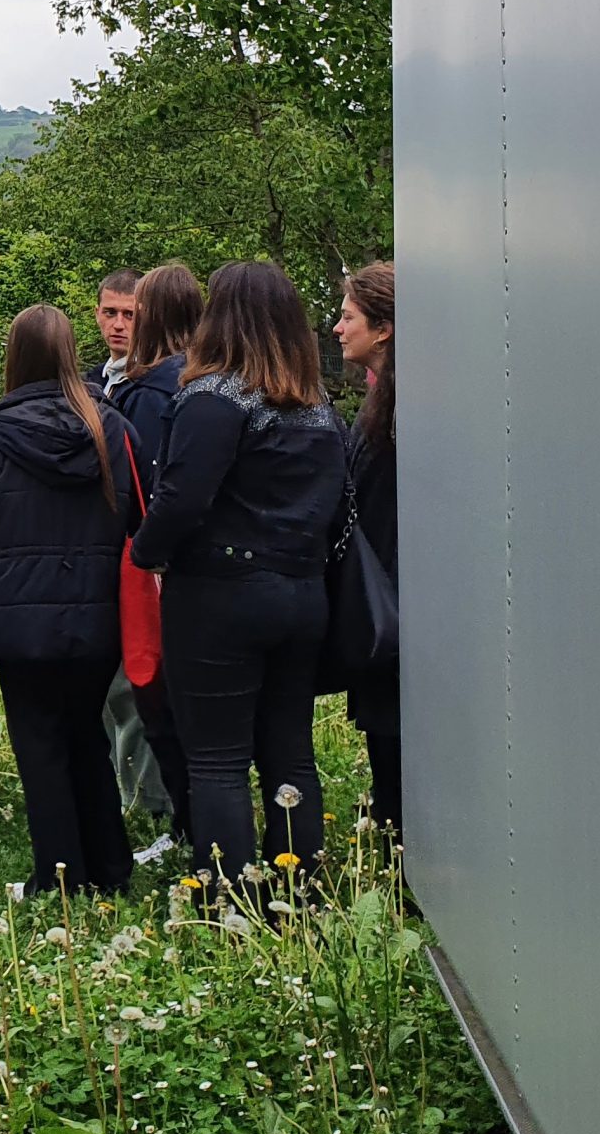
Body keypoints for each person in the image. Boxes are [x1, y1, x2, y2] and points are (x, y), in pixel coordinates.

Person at [129, 262, 347, 891]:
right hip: (303, 592)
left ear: (219, 315)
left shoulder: (213, 398)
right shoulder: (319, 409)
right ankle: (297, 889)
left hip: (220, 596)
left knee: (217, 761)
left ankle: (229, 901)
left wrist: (145, 551)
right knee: (290, 755)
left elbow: (182, 499)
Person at [0, 305, 142, 894]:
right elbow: (138, 515)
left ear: (14, 357)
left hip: (17, 615)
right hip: (98, 610)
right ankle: (109, 867)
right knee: (85, 732)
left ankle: (57, 875)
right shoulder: (112, 428)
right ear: (68, 353)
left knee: (39, 744)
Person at [109, 261, 206, 844]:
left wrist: (145, 550)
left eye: (132, 311)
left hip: (152, 567)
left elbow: (140, 485)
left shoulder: (148, 390)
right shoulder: (211, 379)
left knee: (151, 696)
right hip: (208, 567)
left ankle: (170, 818)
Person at [334, 262, 399, 832]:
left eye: (348, 316)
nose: (336, 327)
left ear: (383, 329)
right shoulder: (386, 400)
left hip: (394, 593)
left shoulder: (403, 410)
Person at [87, 272, 140, 396]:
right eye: (110, 313)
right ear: (97, 314)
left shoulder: (154, 386)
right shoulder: (89, 382)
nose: (118, 325)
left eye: (130, 314)